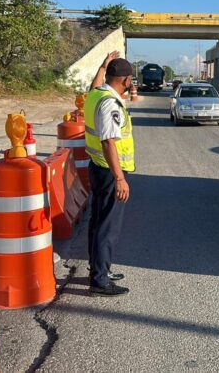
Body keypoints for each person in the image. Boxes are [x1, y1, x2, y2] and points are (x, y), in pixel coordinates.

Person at [84, 51, 135, 297]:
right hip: (108, 171)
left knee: (97, 222)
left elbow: (95, 84)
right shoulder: (110, 104)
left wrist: (103, 66)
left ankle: (98, 269)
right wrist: (120, 178)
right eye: (130, 79)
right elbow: (108, 142)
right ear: (126, 80)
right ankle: (100, 281)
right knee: (107, 227)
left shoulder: (96, 94)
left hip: (98, 167)